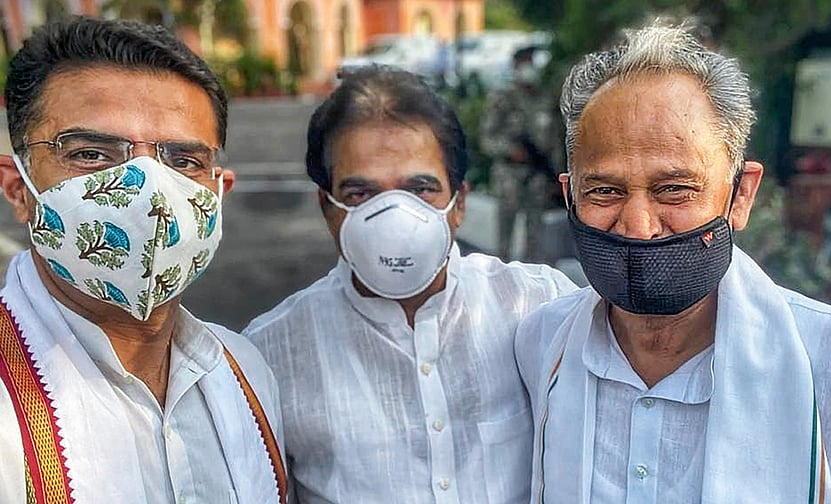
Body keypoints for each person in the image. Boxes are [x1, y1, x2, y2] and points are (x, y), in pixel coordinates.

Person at [515, 22, 831, 503]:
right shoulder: (540, 347)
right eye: (606, 191)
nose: (639, 226)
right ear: (571, 194)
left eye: (675, 189)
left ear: (741, 195)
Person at [244, 66, 577, 503]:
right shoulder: (271, 355)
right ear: (328, 208)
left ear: (458, 203)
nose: (394, 217)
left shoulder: (538, 308)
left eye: (420, 189)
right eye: (361, 194)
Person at [0, 17, 286, 503]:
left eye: (183, 161)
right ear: (17, 189)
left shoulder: (243, 371)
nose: (148, 193)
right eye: (91, 154)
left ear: (217, 194)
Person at [480, 45, 561, 262]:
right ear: (515, 66)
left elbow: (554, 142)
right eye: (525, 63)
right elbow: (487, 139)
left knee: (536, 237)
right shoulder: (503, 98)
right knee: (505, 239)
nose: (529, 68)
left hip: (538, 177)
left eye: (532, 63)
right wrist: (509, 150)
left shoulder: (545, 99)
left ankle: (531, 276)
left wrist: (556, 176)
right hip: (509, 177)